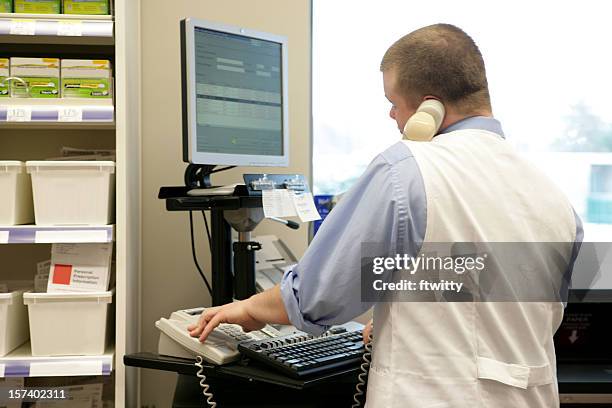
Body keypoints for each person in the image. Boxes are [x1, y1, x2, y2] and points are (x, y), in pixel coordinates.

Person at [188, 24, 582, 407]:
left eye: (393, 102)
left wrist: (250, 308)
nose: (393, 116)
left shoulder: (406, 170)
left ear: (430, 106)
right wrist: (407, 320)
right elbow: (513, 302)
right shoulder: (553, 196)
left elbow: (316, 295)